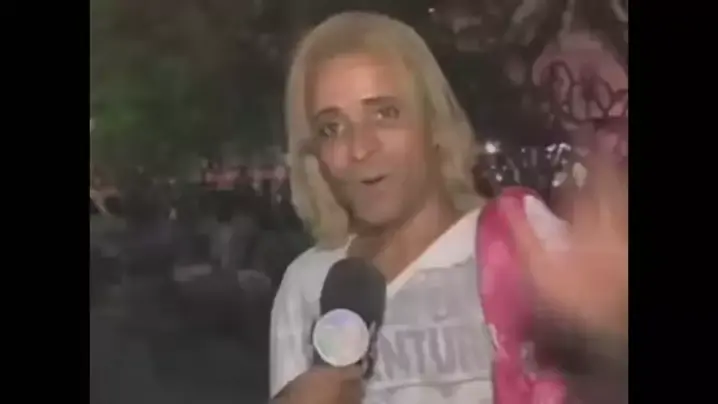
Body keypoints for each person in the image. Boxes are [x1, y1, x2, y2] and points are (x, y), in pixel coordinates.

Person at [271, 11, 627, 404]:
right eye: (331, 128)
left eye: (385, 113)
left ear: (434, 123)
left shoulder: (522, 241)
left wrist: (609, 339)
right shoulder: (305, 286)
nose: (359, 148)